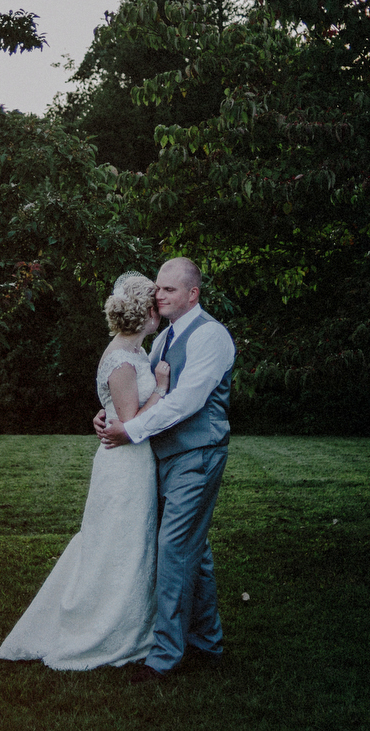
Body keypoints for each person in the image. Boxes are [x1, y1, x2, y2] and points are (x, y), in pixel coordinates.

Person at [0, 272, 171, 669]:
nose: (159, 314)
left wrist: (109, 412)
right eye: (154, 309)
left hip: (133, 462)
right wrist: (160, 389)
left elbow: (116, 412)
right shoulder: (124, 360)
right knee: (117, 541)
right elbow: (128, 426)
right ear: (145, 314)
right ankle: (105, 627)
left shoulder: (136, 353)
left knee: (129, 540)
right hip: (125, 464)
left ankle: (137, 620)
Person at [95, 257, 235, 682]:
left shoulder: (211, 336)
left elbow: (184, 402)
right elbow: (138, 395)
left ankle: (164, 657)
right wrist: (106, 418)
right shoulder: (162, 339)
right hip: (161, 457)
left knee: (174, 548)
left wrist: (130, 431)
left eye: (169, 290)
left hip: (199, 454)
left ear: (193, 293)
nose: (159, 295)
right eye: (158, 288)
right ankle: (207, 641)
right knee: (196, 550)